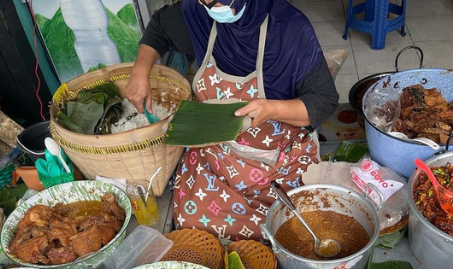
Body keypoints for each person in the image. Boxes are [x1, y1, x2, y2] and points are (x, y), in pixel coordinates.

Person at [126, 0, 338, 240]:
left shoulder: (290, 28)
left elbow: (325, 101)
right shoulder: (198, 14)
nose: (213, 6)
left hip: (279, 162)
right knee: (189, 221)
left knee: (293, 229)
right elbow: (160, 28)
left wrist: (273, 109)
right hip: (217, 157)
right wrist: (140, 71)